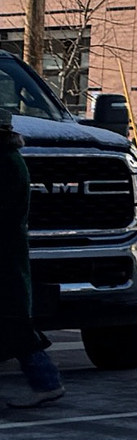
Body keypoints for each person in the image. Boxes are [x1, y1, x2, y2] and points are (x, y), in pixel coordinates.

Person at [0, 100, 61, 408]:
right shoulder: (11, 160)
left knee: (16, 328)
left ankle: (46, 382)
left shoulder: (5, 163)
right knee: (15, 326)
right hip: (9, 256)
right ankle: (46, 382)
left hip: (2, 257)